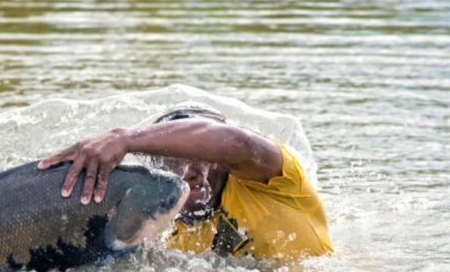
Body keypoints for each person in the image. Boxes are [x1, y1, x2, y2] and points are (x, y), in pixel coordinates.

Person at [38, 105, 333, 260]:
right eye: (175, 160)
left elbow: (237, 142)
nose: (192, 171)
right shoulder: (166, 233)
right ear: (157, 166)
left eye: (204, 156)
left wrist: (124, 139)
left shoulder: (277, 182)